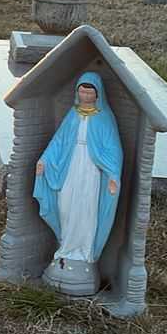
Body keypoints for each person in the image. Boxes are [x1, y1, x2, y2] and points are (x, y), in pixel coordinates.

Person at [33, 72, 122, 289]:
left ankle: (85, 253)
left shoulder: (104, 118)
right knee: (65, 205)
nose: (85, 94)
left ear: (97, 94)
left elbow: (113, 149)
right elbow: (59, 140)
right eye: (82, 90)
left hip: (92, 170)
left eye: (89, 90)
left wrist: (112, 175)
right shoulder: (73, 114)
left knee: (86, 208)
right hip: (69, 166)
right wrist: (44, 160)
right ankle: (65, 247)